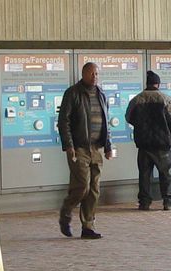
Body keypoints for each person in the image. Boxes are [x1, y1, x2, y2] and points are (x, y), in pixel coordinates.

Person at [57, 62, 112, 239]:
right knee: (82, 187)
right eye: (92, 74)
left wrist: (108, 146)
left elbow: (106, 122)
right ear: (84, 74)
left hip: (96, 148)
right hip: (79, 148)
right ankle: (66, 212)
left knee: (95, 189)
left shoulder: (101, 94)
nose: (95, 77)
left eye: (97, 74)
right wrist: (69, 146)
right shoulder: (73, 93)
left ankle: (88, 226)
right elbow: (63, 121)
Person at [125, 71, 171, 211]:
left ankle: (144, 203)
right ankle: (169, 202)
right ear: (158, 84)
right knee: (166, 173)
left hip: (143, 143)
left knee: (144, 174)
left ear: (147, 83)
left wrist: (141, 126)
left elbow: (128, 118)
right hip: (161, 143)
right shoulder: (165, 99)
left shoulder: (136, 100)